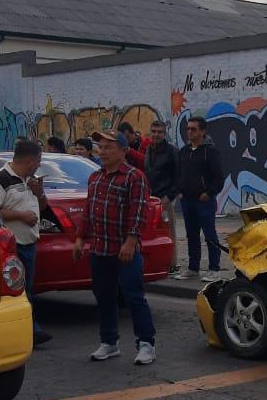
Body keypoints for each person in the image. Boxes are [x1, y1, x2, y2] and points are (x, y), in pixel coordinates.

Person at [74, 130, 156, 365]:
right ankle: (109, 342)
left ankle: (146, 343)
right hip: (99, 248)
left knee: (133, 297)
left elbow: (139, 212)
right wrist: (80, 239)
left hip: (124, 249)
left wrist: (131, 242)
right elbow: (89, 210)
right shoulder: (95, 178)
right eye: (100, 146)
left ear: (123, 151)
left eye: (109, 147)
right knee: (104, 297)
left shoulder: (134, 177)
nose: (102, 151)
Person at [0, 139, 52, 346]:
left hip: (29, 242)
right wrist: (21, 216)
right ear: (30, 160)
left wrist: (39, 192)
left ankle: (28, 329)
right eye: (39, 160)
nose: (39, 164)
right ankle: (29, 330)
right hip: (11, 246)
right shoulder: (0, 179)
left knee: (26, 290)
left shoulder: (30, 180)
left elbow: (43, 207)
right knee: (14, 291)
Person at [174, 115, 224, 279]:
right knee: (192, 235)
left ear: (202, 131)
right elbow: (179, 174)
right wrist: (180, 191)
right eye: (188, 129)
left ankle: (214, 269)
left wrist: (208, 193)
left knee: (210, 234)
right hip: (187, 200)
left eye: (193, 129)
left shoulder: (210, 151)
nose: (189, 132)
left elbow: (218, 177)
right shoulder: (184, 151)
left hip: (204, 201)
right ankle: (193, 268)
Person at [143, 119, 180, 273]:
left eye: (159, 132)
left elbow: (179, 176)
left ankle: (172, 264)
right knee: (151, 232)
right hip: (151, 197)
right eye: (154, 131)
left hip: (166, 198)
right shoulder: (149, 149)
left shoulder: (172, 151)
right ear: (150, 132)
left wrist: (169, 196)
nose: (156, 134)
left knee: (169, 231)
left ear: (165, 134)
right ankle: (155, 263)